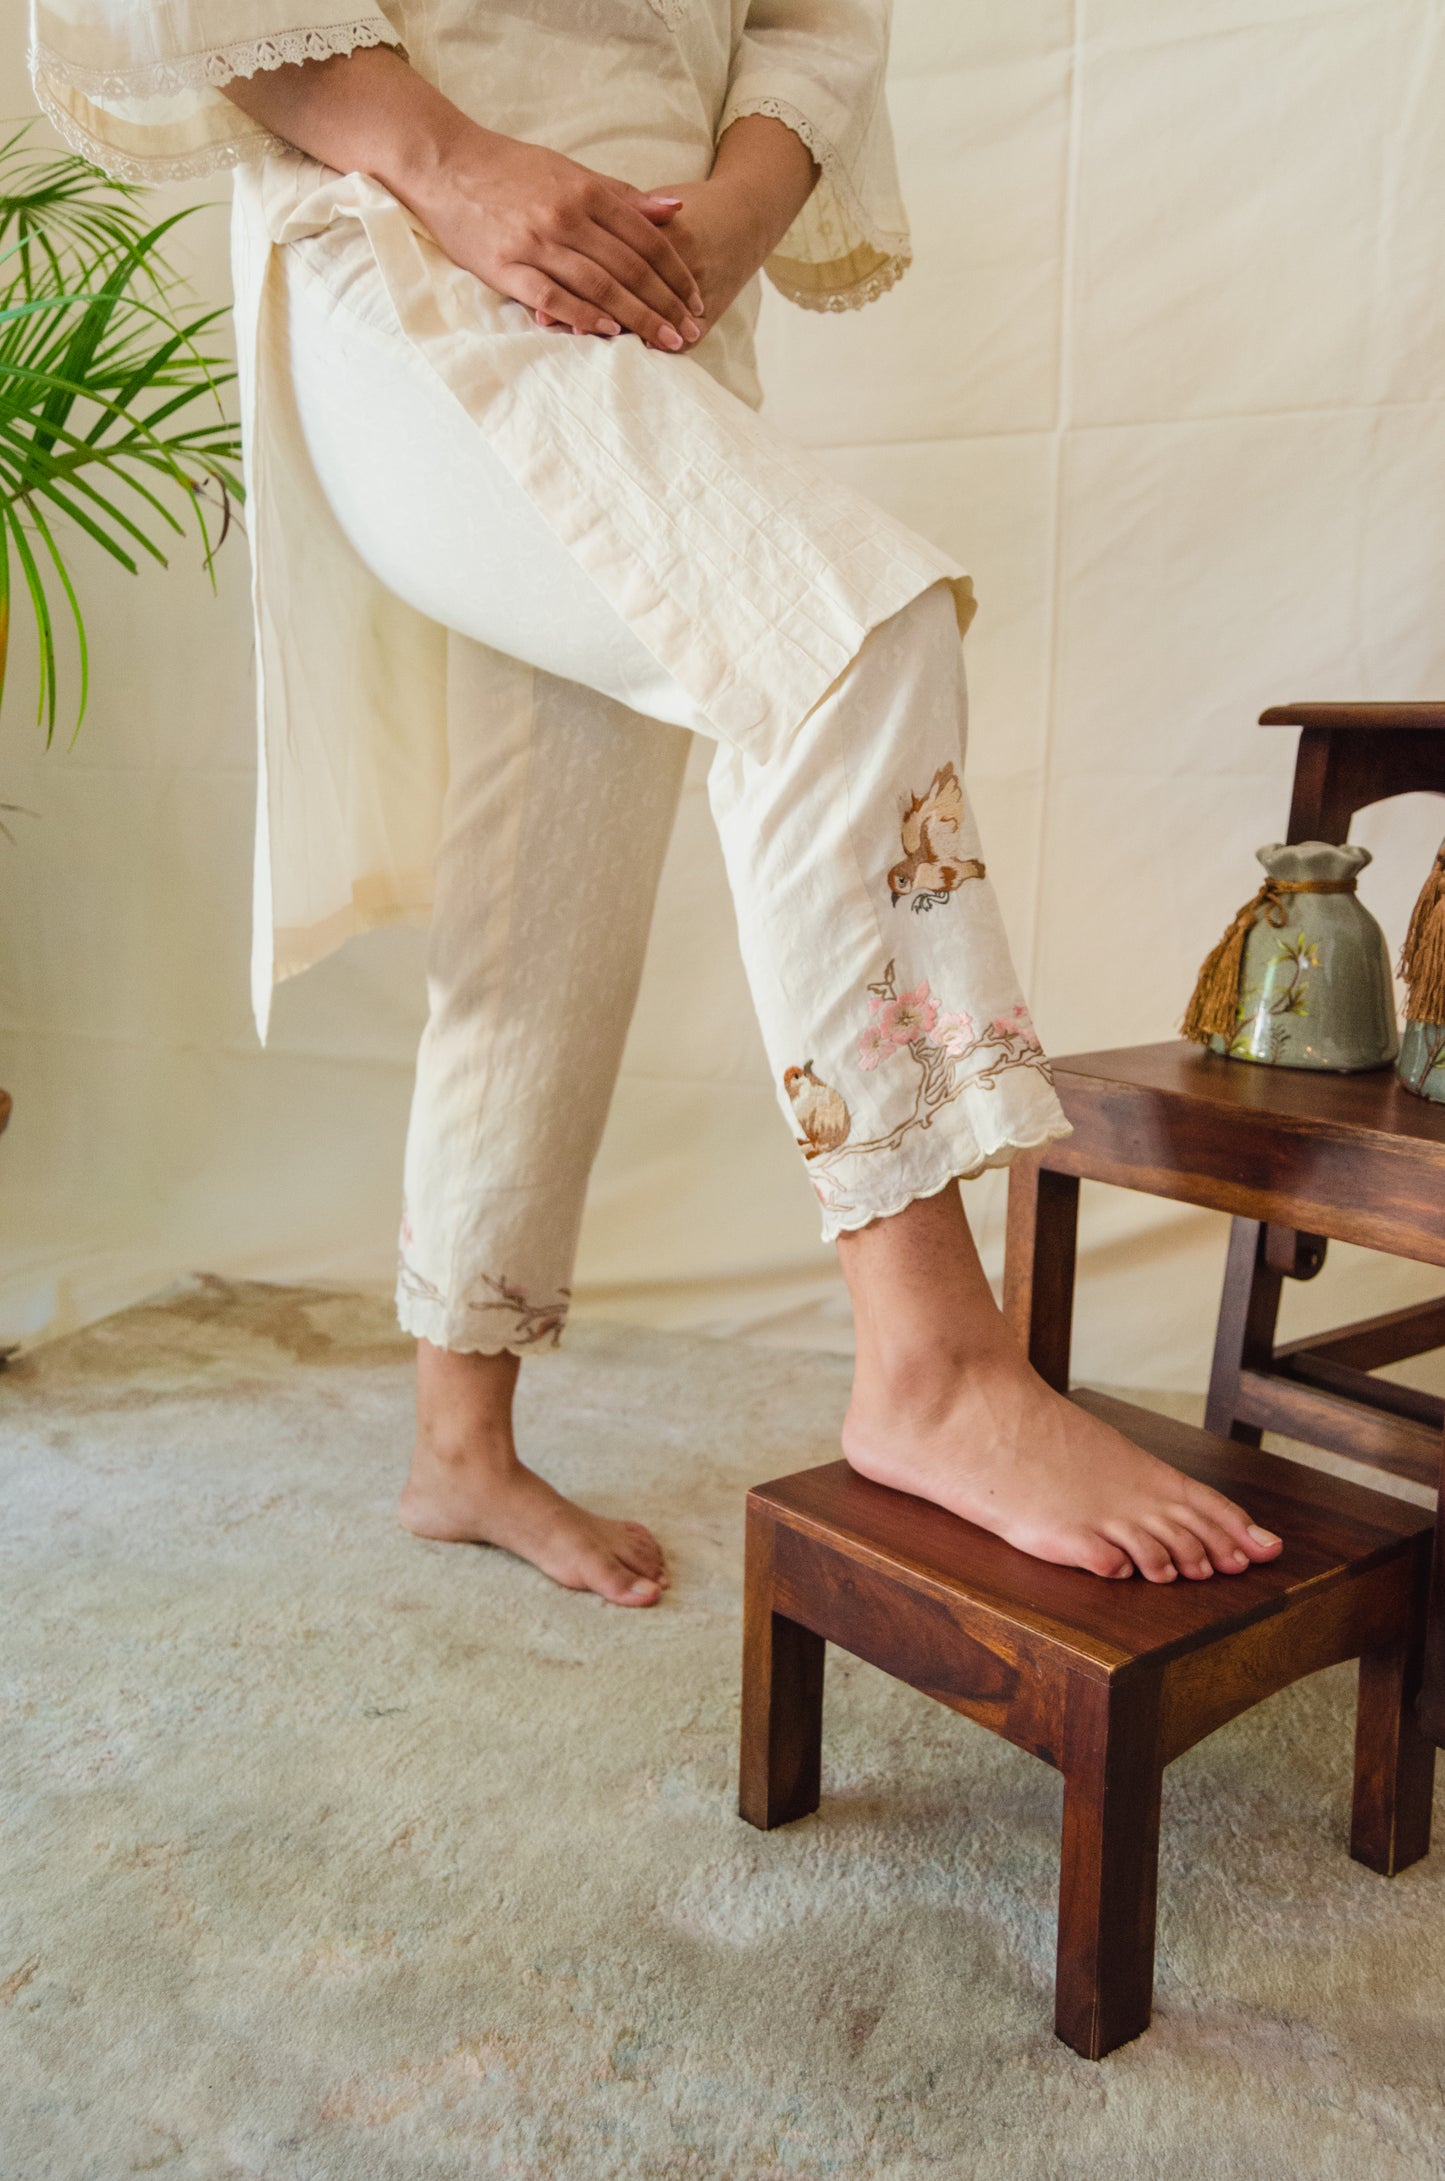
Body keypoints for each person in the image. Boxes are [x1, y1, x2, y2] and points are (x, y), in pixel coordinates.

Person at [30, 0, 1283, 1606]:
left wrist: (739, 210)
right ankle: (934, 1365)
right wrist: (457, 163)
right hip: (415, 251)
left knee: (553, 850)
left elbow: (812, 22)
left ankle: (458, 1447)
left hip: (663, 301)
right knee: (844, 635)